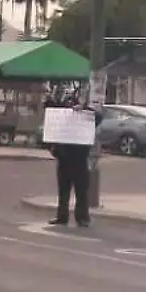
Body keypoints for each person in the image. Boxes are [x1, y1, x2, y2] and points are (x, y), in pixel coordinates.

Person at [46, 97, 102, 227]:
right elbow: (51, 134)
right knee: (63, 192)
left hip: (79, 160)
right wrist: (53, 150)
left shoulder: (85, 117)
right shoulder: (62, 120)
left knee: (81, 191)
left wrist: (85, 109)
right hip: (64, 160)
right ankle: (62, 216)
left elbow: (98, 117)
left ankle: (82, 218)